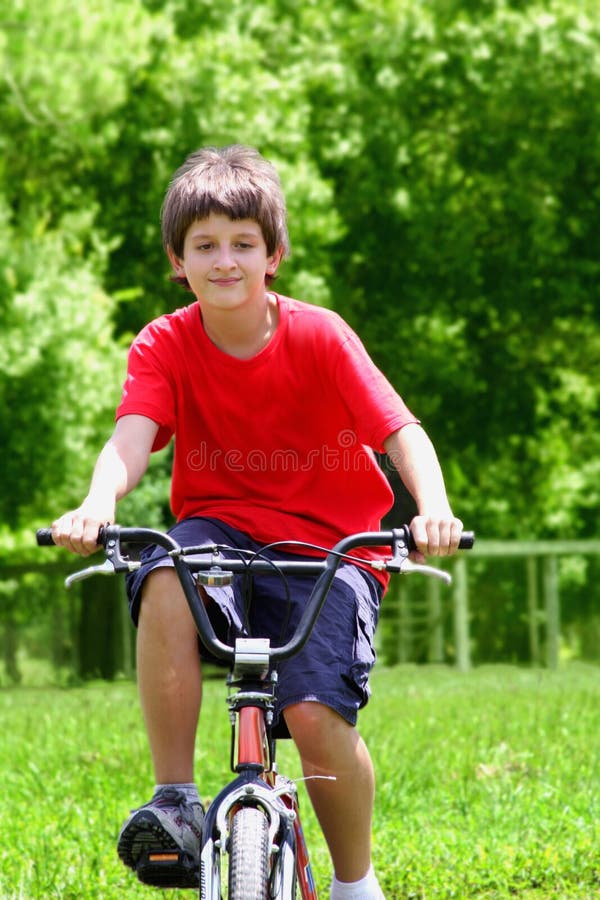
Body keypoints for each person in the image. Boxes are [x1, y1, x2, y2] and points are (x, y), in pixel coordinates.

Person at [52, 144, 463, 899]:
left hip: (332, 550)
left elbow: (402, 433)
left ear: (274, 255)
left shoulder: (321, 335)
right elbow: (129, 440)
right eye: (204, 245)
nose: (225, 260)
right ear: (178, 260)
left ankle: (354, 882)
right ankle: (175, 800)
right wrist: (96, 504)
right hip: (222, 533)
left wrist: (432, 510)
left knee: (311, 713)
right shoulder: (165, 344)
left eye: (243, 243)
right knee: (168, 566)